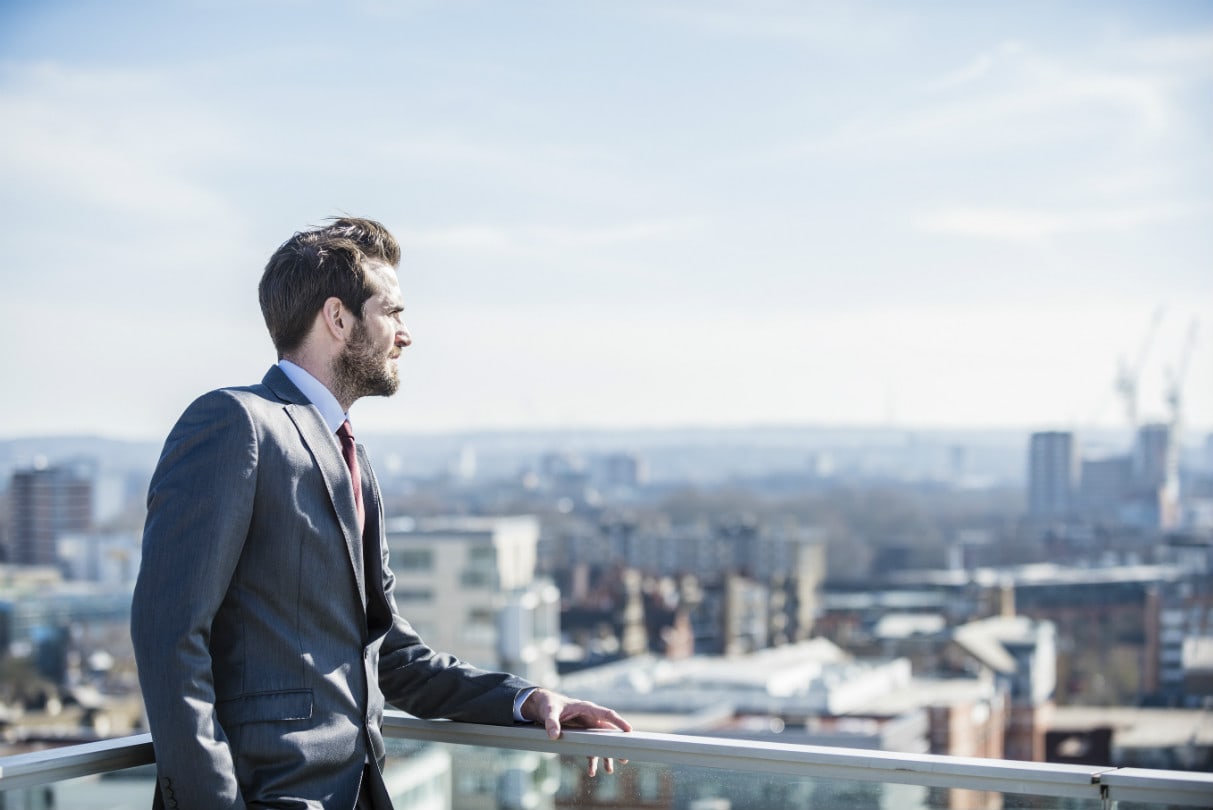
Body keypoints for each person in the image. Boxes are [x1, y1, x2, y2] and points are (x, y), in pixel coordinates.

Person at [131, 218, 630, 810]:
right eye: (392, 311)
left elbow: (389, 652)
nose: (406, 334)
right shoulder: (235, 424)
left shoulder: (352, 458)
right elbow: (169, 637)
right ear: (338, 319)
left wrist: (526, 701)